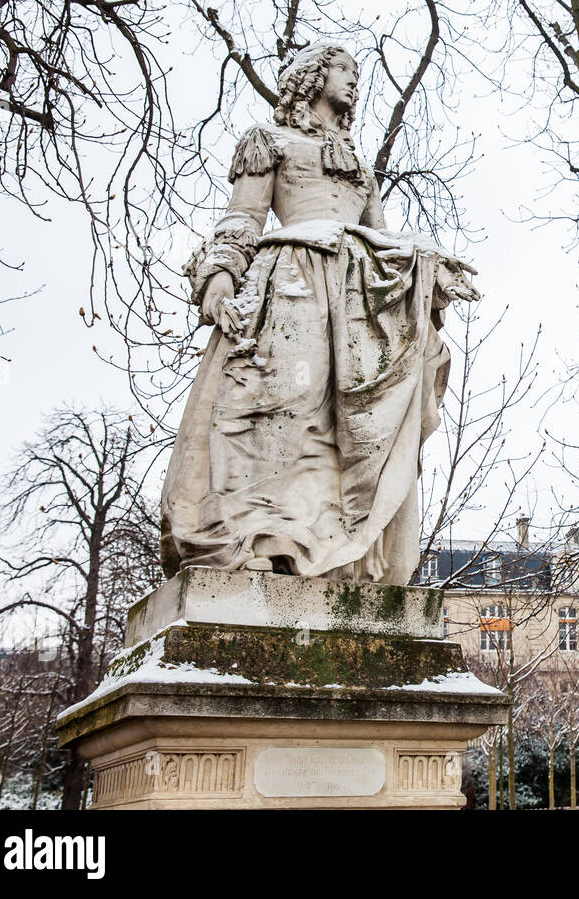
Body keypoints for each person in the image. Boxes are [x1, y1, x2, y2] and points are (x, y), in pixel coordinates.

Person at [160, 42, 477, 585]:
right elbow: (243, 219)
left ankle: (337, 549)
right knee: (280, 404)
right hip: (293, 281)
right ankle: (256, 537)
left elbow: (382, 238)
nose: (354, 82)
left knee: (347, 424)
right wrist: (218, 279)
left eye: (356, 74)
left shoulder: (357, 161)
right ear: (312, 76)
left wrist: (431, 272)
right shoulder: (269, 141)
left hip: (354, 297)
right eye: (344, 71)